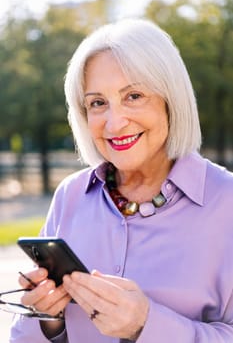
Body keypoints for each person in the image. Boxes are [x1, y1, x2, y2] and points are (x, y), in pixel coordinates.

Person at [10, 18, 233, 343]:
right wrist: (50, 322)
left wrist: (146, 325)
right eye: (98, 103)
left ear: (170, 100)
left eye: (134, 96)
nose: (114, 124)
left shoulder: (227, 203)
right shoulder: (70, 196)